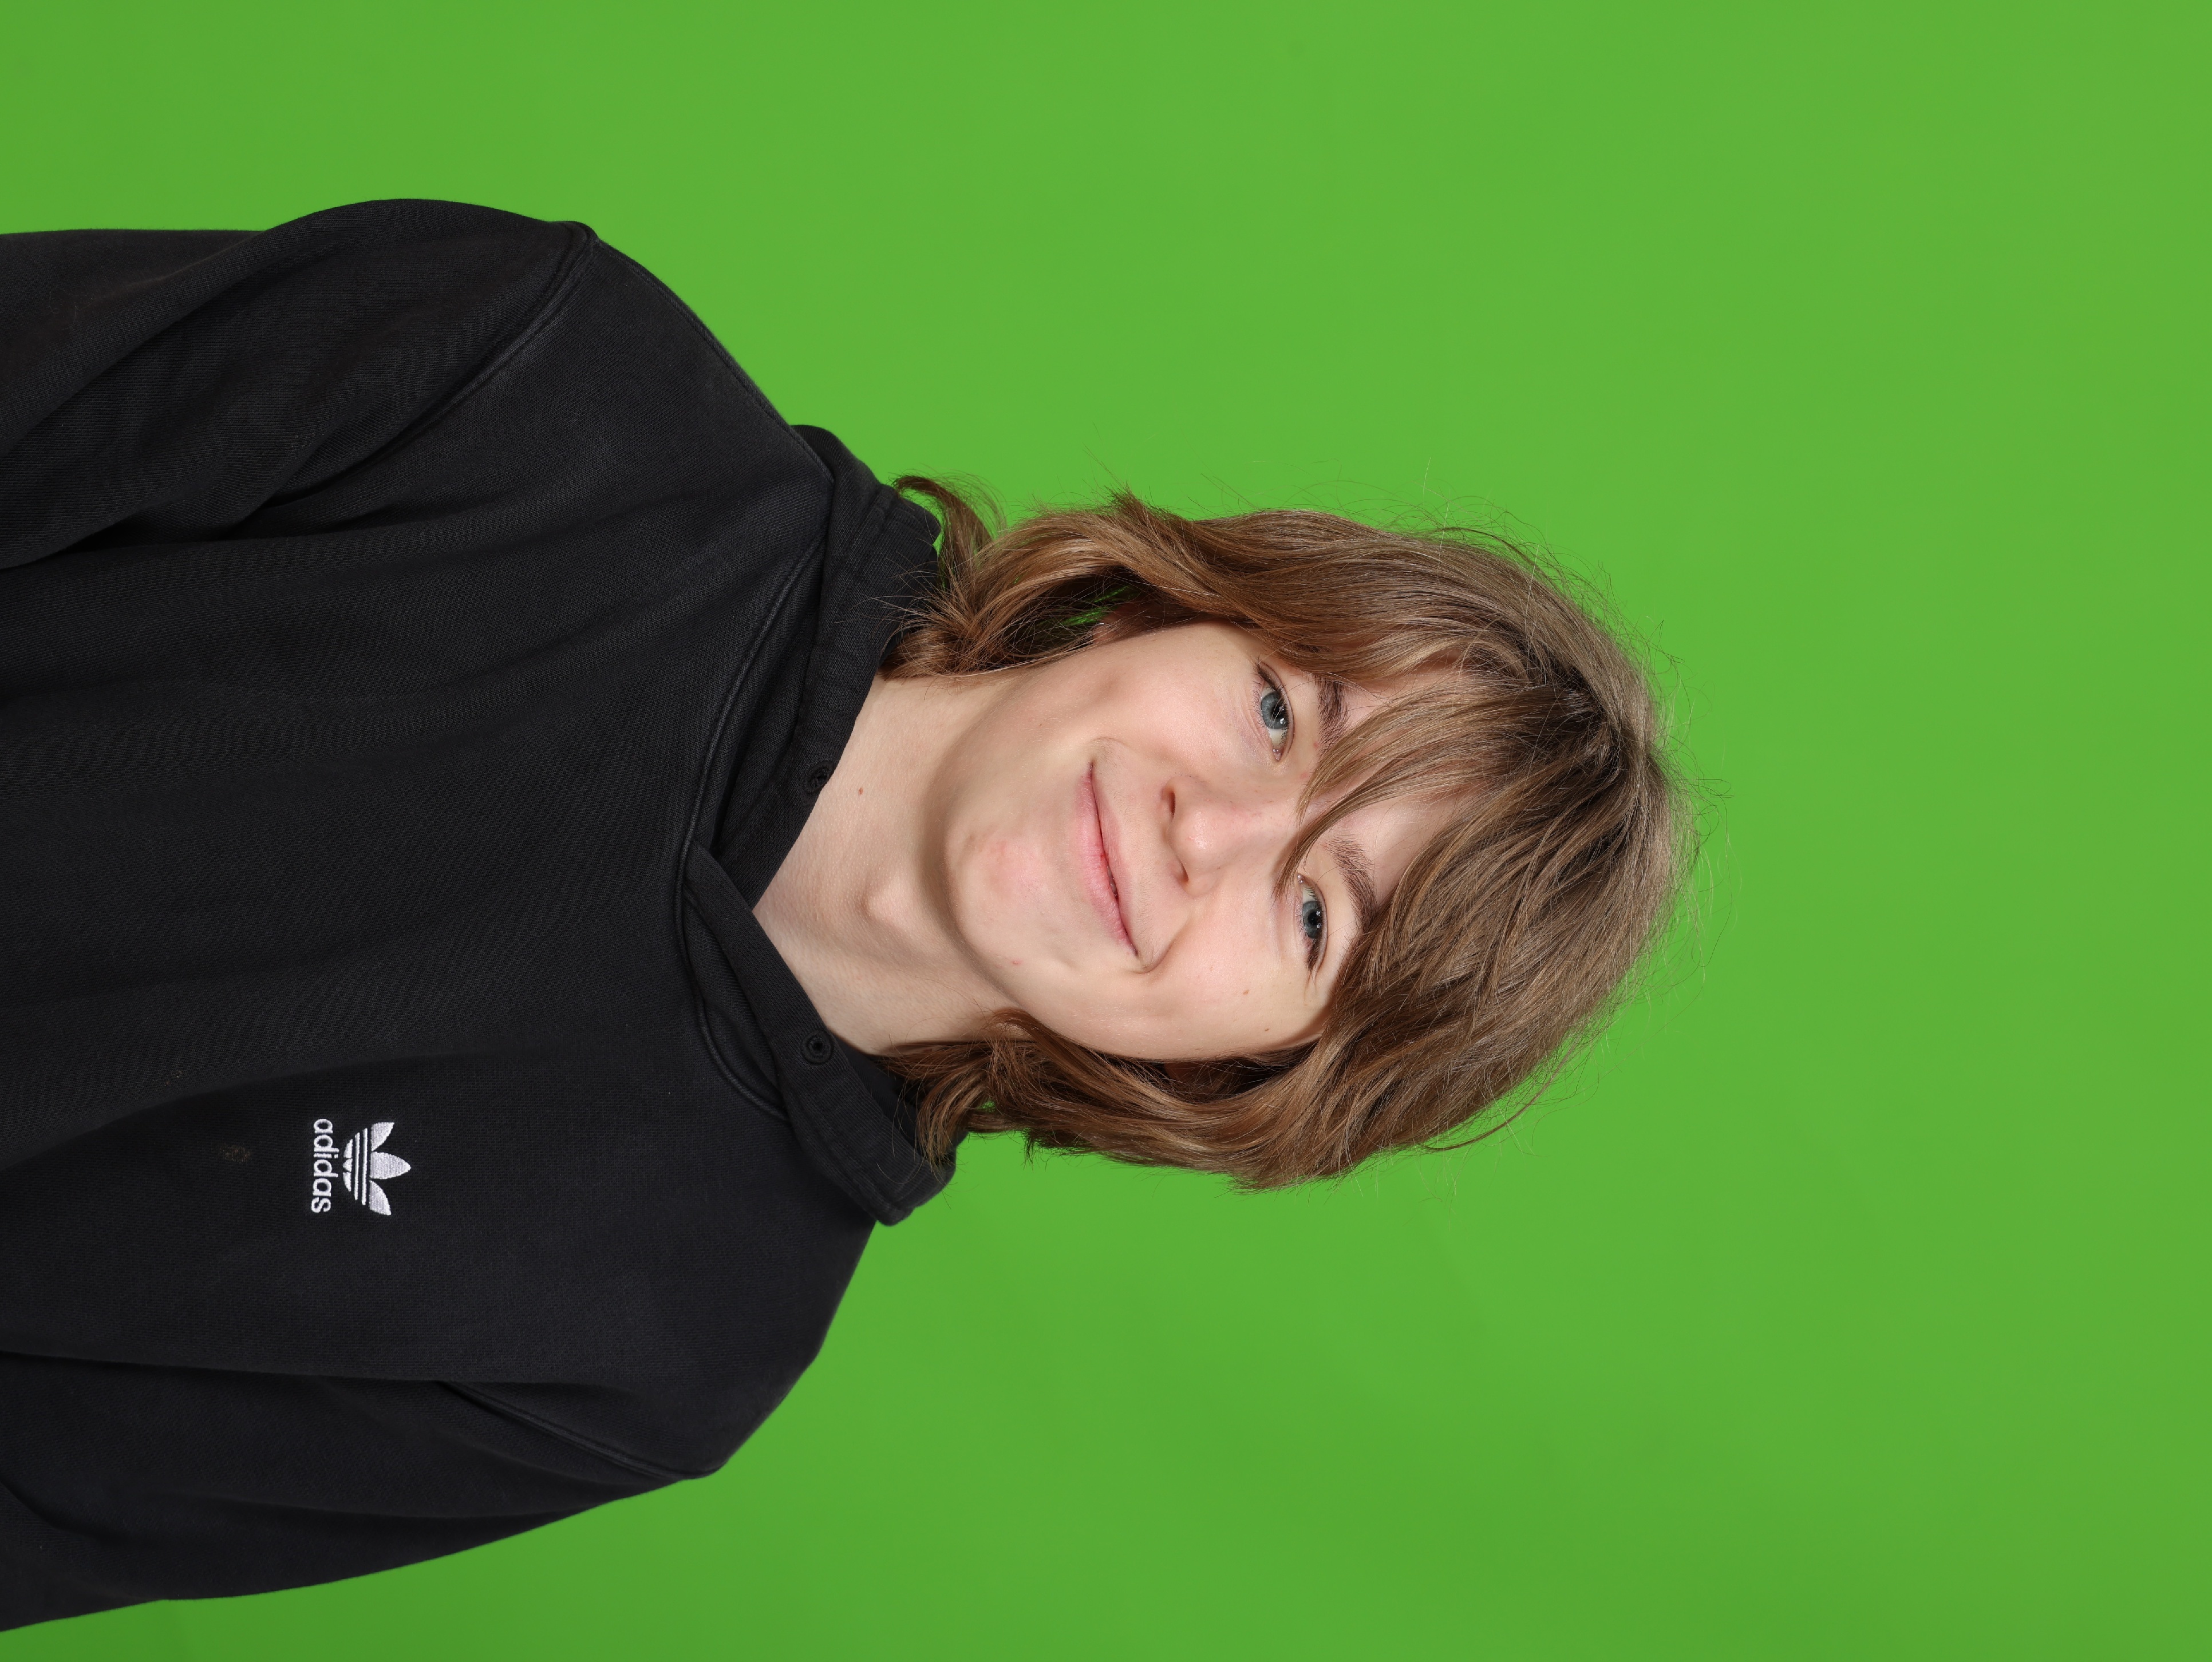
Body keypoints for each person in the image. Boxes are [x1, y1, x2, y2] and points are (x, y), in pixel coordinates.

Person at [0, 200, 1688, 1629]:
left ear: (1255, 1071)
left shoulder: (669, 1351)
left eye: (1316, 916)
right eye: (1279, 714)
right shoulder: (549, 380)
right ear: (1166, 607)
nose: (1212, 832)